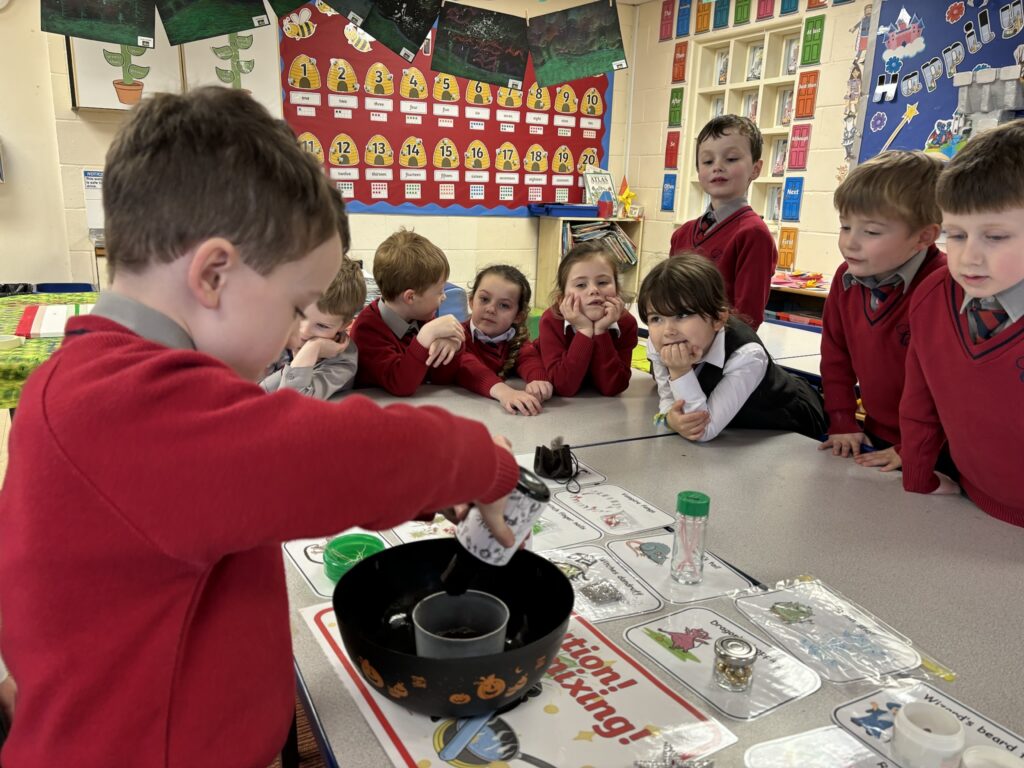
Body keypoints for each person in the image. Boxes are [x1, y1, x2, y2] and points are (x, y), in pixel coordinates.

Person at [0, 88, 519, 768]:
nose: (299, 329)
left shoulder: (80, 382)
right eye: (297, 304)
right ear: (214, 273)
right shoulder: (129, 406)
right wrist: (484, 462)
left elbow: (258, 483)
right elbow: (336, 456)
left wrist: (427, 493)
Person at [901, 119, 1024, 526]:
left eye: (995, 237)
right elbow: (919, 400)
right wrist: (917, 474)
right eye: (955, 235)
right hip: (972, 506)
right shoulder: (933, 294)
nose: (969, 257)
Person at [819, 150, 947, 472]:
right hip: (875, 435)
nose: (850, 243)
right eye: (845, 226)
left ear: (924, 237)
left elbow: (953, 388)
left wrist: (913, 448)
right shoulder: (844, 278)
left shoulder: (944, 287)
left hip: (939, 450)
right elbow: (836, 356)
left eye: (871, 232)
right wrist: (842, 420)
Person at [640, 254, 826, 442]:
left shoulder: (747, 355)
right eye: (656, 318)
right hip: (734, 428)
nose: (668, 330)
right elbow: (669, 403)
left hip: (786, 423)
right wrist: (670, 419)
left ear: (718, 319)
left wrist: (679, 371)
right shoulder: (660, 344)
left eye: (682, 315)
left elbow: (702, 430)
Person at [669, 114, 778, 330]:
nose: (717, 167)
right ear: (699, 170)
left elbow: (748, 318)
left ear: (756, 168)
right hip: (678, 351)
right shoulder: (682, 234)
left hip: (724, 355)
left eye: (731, 159)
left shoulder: (753, 234)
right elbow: (668, 301)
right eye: (708, 161)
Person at [350, 228, 466, 396]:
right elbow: (400, 385)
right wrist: (425, 338)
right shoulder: (367, 330)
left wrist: (453, 346)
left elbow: (441, 378)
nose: (444, 297)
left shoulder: (421, 317)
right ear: (410, 297)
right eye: (439, 291)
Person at [536, 241, 638, 396]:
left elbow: (614, 387)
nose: (594, 290)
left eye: (603, 282)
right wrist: (584, 331)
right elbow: (563, 386)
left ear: (617, 290)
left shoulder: (626, 323)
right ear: (562, 298)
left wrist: (601, 331)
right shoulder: (551, 320)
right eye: (581, 285)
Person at [260, 256, 365, 399]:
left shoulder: (343, 361)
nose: (304, 332)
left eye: (322, 326)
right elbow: (245, 395)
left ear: (344, 326)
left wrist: (313, 348)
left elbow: (291, 403)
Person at [456, 265, 553, 415]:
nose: (491, 309)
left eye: (504, 305)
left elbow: (529, 358)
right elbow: (468, 367)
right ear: (471, 301)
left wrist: (538, 380)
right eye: (484, 299)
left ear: (518, 316)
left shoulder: (516, 339)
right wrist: (505, 393)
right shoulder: (457, 336)